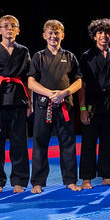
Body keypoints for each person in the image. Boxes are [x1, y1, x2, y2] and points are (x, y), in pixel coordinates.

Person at [28, 19, 82, 193]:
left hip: (65, 105)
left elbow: (79, 81)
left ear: (62, 35)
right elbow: (31, 82)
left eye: (57, 33)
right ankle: (37, 182)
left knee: (68, 143)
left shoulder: (69, 56)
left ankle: (70, 180)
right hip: (44, 106)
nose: (53, 36)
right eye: (50, 33)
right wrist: (50, 93)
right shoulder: (38, 57)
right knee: (40, 144)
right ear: (44, 36)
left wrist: (64, 93)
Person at [0, 15, 32, 193]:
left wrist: (30, 102)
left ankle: (19, 180)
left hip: (18, 100)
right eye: (5, 26)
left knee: (19, 143)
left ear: (18, 30)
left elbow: (29, 78)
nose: (9, 28)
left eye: (13, 26)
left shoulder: (23, 51)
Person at [78, 18, 110, 189]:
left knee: (109, 141)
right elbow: (82, 85)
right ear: (94, 36)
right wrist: (83, 108)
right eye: (100, 33)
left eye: (107, 33)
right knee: (89, 141)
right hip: (91, 103)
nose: (103, 36)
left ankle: (107, 176)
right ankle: (86, 178)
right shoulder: (86, 56)